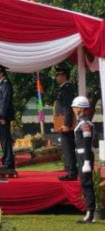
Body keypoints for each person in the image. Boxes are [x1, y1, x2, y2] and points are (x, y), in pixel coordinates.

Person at [72, 96, 96, 224]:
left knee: (86, 185)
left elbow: (87, 144)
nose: (74, 109)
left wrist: (86, 161)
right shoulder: (82, 123)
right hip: (81, 156)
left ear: (81, 108)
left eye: (75, 107)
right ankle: (89, 213)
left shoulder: (85, 124)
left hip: (84, 156)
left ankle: (90, 214)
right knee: (85, 184)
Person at [55, 65, 77, 181]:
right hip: (62, 123)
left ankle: (72, 172)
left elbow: (68, 108)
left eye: (58, 75)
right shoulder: (63, 88)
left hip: (66, 124)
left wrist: (67, 124)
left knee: (68, 147)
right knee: (66, 147)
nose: (56, 77)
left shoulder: (67, 88)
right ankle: (70, 170)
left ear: (63, 75)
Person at [0, 63, 15, 170]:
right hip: (0, 116)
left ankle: (8, 163)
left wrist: (2, 117)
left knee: (5, 139)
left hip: (3, 117)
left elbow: (5, 101)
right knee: (3, 139)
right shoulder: (1, 84)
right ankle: (6, 161)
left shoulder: (5, 84)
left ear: (0, 73)